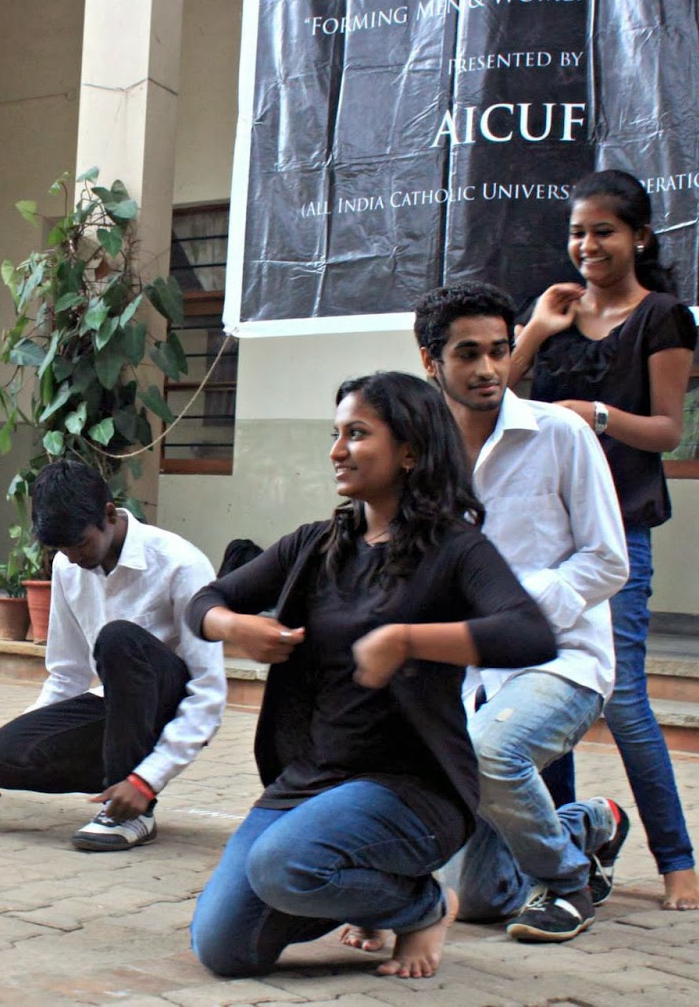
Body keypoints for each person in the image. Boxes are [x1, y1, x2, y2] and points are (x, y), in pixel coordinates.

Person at [188, 372, 557, 980]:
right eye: (336, 434)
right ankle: (368, 895)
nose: (338, 450)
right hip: (313, 780)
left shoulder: (455, 549)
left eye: (357, 434)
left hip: (411, 787)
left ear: (409, 449)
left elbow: (530, 633)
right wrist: (233, 627)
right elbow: (205, 600)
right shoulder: (315, 545)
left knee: (283, 864)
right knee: (224, 948)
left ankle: (424, 906)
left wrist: (409, 639)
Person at [509, 169, 699, 910]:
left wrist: (594, 414)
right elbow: (495, 395)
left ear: (640, 237)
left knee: (622, 700)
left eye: (604, 231)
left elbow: (667, 430)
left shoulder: (663, 317)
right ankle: (565, 850)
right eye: (577, 232)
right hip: (543, 533)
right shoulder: (554, 312)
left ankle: (676, 860)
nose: (588, 245)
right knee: (544, 690)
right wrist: (535, 329)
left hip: (618, 529)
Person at [413, 282, 630, 943]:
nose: (488, 368)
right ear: (430, 361)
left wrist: (514, 615)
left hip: (561, 660)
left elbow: (608, 560)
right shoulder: (420, 456)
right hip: (466, 675)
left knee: (491, 750)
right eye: (468, 353)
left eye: (499, 351)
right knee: (478, 898)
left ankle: (567, 883)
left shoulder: (559, 433)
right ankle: (592, 823)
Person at [0, 460, 226, 851]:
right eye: (62, 548)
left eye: (80, 544)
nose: (72, 557)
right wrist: (20, 734)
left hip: (167, 706)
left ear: (109, 514)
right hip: (114, 707)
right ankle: (117, 788)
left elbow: (208, 690)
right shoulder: (66, 566)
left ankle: (132, 811)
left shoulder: (180, 563)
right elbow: (67, 673)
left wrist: (149, 778)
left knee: (118, 638)